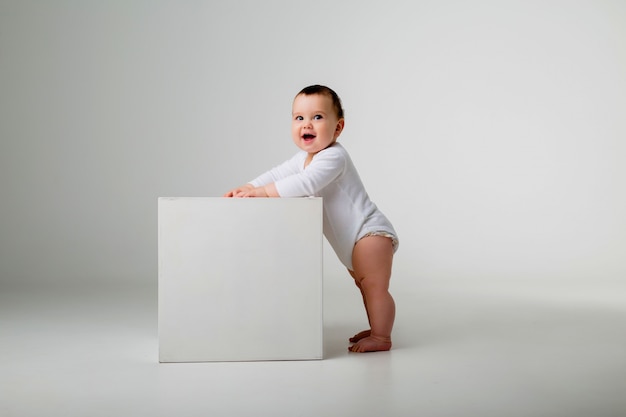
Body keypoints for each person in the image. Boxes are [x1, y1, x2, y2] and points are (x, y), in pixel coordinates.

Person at [224, 85, 398, 353]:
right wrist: (247, 187)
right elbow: (277, 174)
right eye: (299, 118)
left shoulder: (334, 156)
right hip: (353, 242)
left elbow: (306, 184)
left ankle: (382, 337)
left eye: (318, 117)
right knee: (364, 285)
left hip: (369, 233)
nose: (307, 124)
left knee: (374, 286)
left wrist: (261, 193)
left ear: (338, 128)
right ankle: (377, 326)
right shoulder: (304, 159)